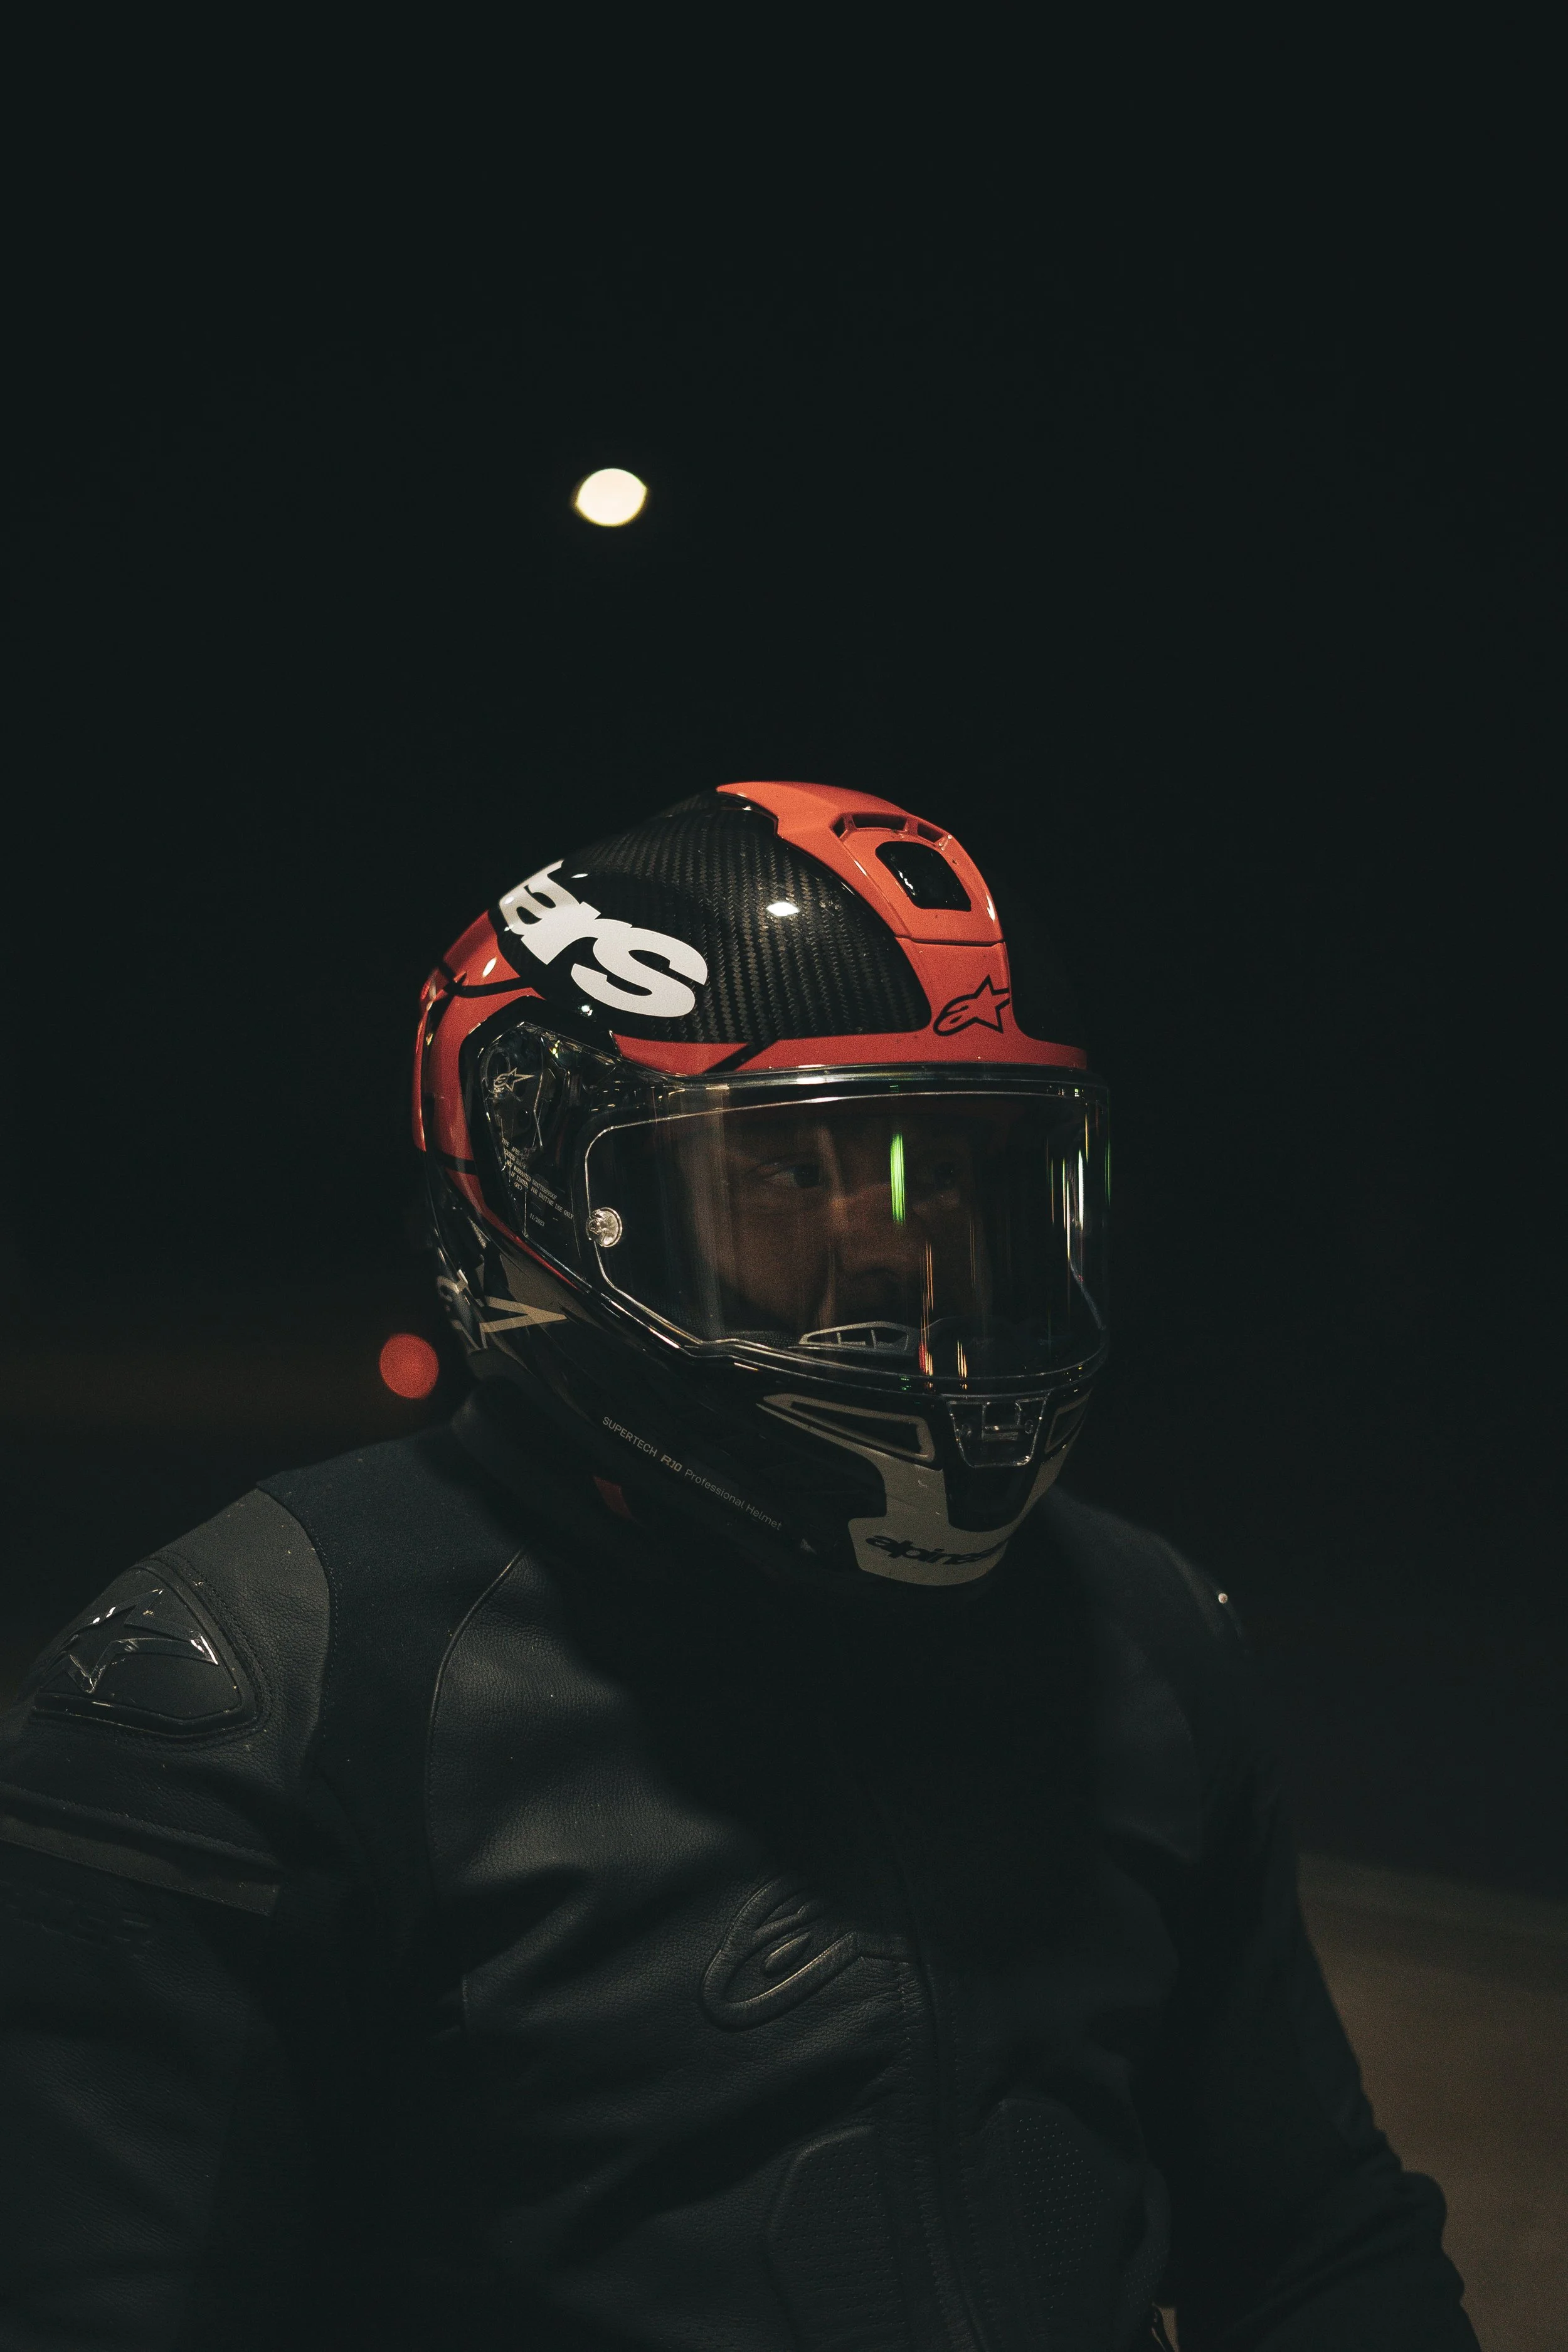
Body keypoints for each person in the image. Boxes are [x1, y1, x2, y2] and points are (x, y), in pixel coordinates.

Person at [0, 782, 1477, 2349]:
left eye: (958, 1175)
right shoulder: (259, 1681)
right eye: (791, 1179)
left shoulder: (1136, 1629)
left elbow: (1312, 2241)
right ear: (547, 1194)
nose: (906, 1263)